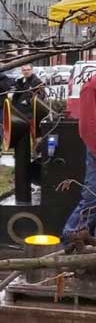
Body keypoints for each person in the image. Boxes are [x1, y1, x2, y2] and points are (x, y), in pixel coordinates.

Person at [63, 71, 96, 249]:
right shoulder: (91, 87)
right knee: (92, 195)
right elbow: (87, 126)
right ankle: (71, 235)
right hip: (95, 149)